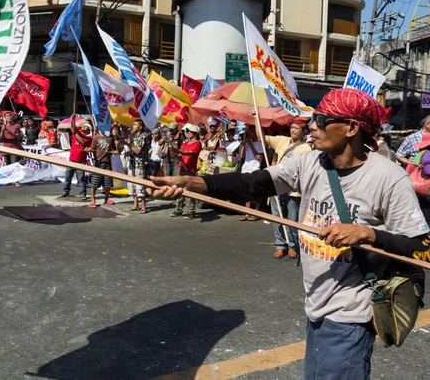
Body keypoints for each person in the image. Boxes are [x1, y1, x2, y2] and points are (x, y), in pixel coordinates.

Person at [150, 88, 430, 380]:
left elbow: (422, 248)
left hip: (351, 313)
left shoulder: (388, 177)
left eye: (321, 119)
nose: (312, 125)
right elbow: (252, 184)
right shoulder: (309, 162)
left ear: (351, 127)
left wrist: (368, 233)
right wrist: (189, 183)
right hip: (315, 306)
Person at [266, 119, 312, 259]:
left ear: (303, 132)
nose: (293, 130)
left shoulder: (306, 148)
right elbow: (263, 138)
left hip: (294, 189)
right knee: (277, 218)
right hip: (277, 185)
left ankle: (292, 246)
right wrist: (257, 120)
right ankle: (280, 245)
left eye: (296, 128)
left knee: (292, 220)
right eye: (292, 127)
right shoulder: (282, 141)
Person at [170, 124, 202, 219]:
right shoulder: (185, 143)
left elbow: (191, 153)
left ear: (195, 133)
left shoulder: (197, 143)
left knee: (188, 193)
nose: (187, 133)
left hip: (190, 170)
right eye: (187, 131)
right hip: (182, 169)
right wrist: (177, 155)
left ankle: (191, 211)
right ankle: (178, 209)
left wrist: (179, 151)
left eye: (190, 131)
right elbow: (182, 154)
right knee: (178, 191)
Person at [61, 115, 92, 200]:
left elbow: (83, 143)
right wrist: (72, 118)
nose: (83, 126)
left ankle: (83, 194)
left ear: (88, 130)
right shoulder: (77, 132)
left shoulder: (89, 138)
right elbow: (73, 126)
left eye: (85, 126)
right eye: (83, 126)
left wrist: (76, 134)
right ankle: (65, 191)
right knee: (68, 176)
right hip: (72, 159)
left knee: (81, 178)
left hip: (81, 161)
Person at [238, 125, 264, 221]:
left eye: (252, 132)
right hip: (246, 169)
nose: (251, 134)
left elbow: (258, 157)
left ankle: (256, 212)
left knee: (255, 192)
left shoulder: (259, 144)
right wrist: (244, 145)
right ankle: (247, 212)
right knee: (247, 193)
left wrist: (251, 145)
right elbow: (242, 156)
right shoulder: (248, 143)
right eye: (249, 132)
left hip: (255, 169)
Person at [89, 130, 117, 208]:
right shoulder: (96, 137)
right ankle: (93, 200)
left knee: (108, 183)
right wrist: (89, 150)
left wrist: (114, 151)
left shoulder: (110, 138)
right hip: (98, 163)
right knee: (95, 182)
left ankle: (106, 199)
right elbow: (92, 148)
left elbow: (114, 148)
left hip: (107, 163)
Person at [127, 119, 149, 213]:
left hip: (139, 164)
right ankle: (135, 204)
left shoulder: (142, 137)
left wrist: (128, 144)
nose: (133, 126)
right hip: (132, 163)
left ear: (140, 127)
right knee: (131, 184)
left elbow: (137, 151)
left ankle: (143, 206)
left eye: (135, 124)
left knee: (140, 184)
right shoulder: (132, 137)